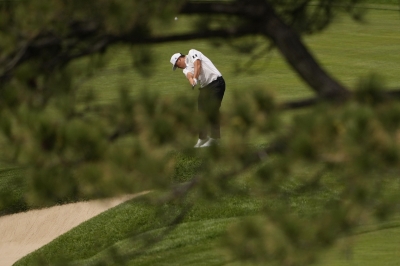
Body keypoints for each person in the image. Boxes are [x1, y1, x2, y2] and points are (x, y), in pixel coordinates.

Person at [170, 49, 225, 148]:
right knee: (201, 112)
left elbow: (197, 65)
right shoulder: (185, 69)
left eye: (177, 65)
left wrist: (195, 78)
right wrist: (192, 81)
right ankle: (203, 138)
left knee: (212, 110)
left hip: (216, 83)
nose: (178, 67)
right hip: (205, 88)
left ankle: (215, 139)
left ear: (179, 59)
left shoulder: (192, 53)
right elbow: (189, 76)